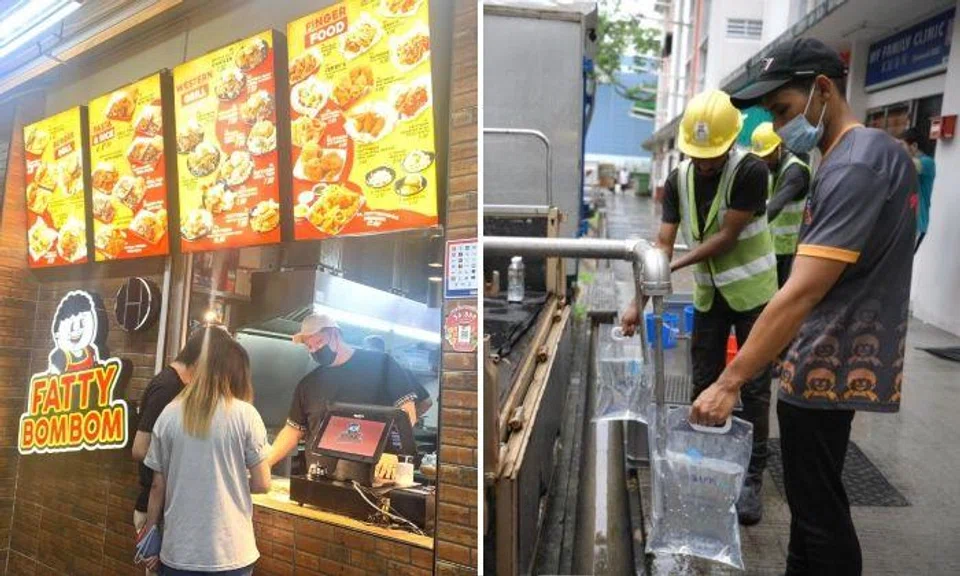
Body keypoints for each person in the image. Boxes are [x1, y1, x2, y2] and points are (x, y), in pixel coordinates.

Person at [692, 38, 915, 576]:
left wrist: (730, 381)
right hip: (839, 357)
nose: (779, 122)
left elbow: (803, 291)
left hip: (827, 363)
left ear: (822, 89)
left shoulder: (855, 165)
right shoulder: (869, 154)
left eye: (783, 110)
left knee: (819, 513)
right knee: (811, 503)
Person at [620, 89, 777, 525]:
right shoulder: (678, 179)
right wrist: (638, 300)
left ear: (730, 144)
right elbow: (663, 244)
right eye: (698, 155)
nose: (705, 164)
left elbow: (726, 237)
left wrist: (675, 266)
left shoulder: (750, 171)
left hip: (753, 295)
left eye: (714, 155)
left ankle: (752, 477)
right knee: (703, 379)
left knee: (756, 387)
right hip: (712, 296)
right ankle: (702, 460)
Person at [139, 326, 271, 575]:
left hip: (179, 552)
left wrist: (151, 531)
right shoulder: (246, 415)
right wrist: (233, 481)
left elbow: (158, 486)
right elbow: (263, 483)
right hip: (232, 553)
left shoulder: (169, 413)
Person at [266, 314, 419, 478]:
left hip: (376, 478)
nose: (315, 350)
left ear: (335, 334)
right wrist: (264, 464)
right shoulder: (308, 384)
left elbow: (407, 412)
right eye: (309, 347)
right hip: (320, 478)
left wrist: (394, 453)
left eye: (318, 342)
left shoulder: (381, 365)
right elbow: (292, 431)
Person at [131, 330, 208, 576]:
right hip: (157, 510)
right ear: (202, 358)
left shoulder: (176, 385)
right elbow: (139, 449)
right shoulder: (168, 387)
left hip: (167, 511)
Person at [751, 122, 811, 286]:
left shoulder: (795, 172)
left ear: (780, 147)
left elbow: (774, 207)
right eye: (760, 157)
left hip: (792, 250)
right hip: (775, 248)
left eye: (768, 155)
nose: (764, 161)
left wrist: (746, 230)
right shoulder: (773, 169)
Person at [364, 335, 433, 419]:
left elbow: (426, 403)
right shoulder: (400, 370)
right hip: (378, 426)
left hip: (379, 426)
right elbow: (426, 403)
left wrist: (405, 423)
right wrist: (406, 423)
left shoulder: (399, 371)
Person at [898, 127, 935, 252]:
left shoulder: (928, 163)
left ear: (914, 145)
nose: (899, 150)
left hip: (917, 224)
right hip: (903, 222)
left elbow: (911, 164)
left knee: (901, 263)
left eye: (902, 146)